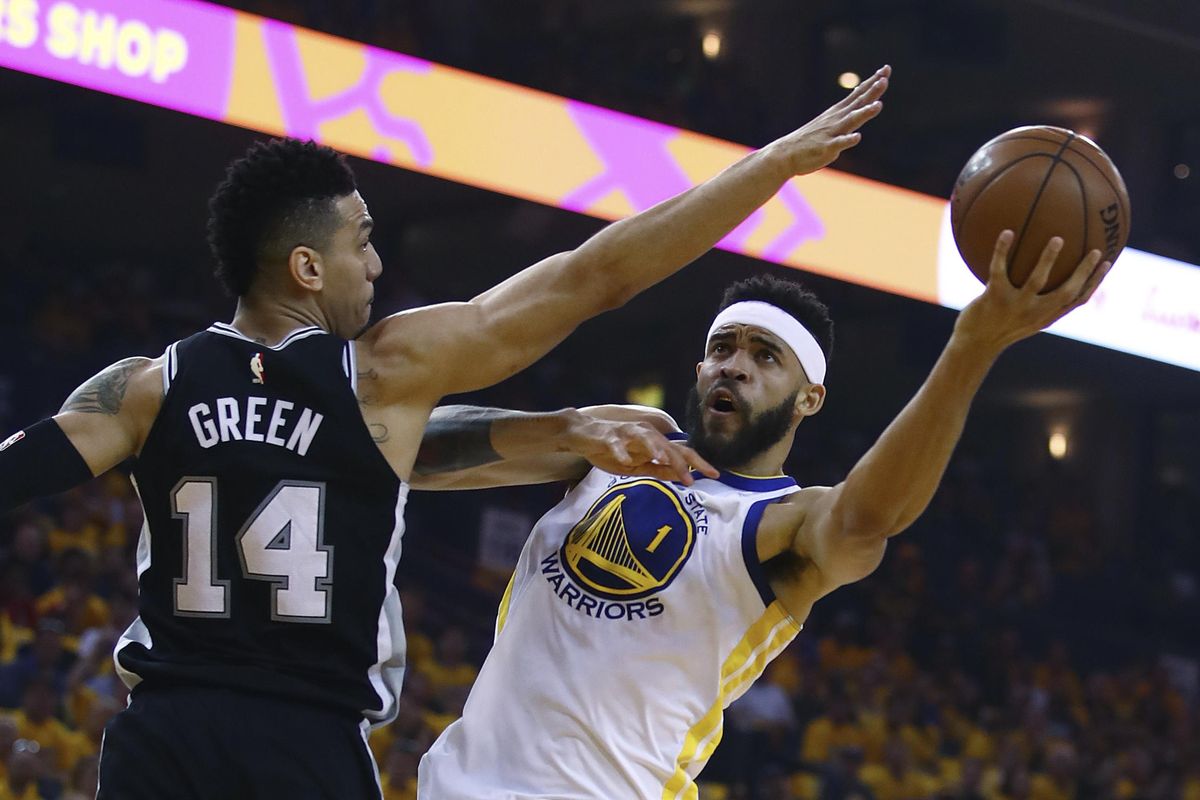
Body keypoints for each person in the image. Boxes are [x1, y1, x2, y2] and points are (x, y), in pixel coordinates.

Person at [0, 68, 891, 799]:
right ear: (308, 267)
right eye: (363, 243)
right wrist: (768, 169)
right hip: (302, 745)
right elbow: (594, 279)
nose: (378, 264)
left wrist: (563, 430)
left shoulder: (148, 386)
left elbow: (23, 466)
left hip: (161, 738)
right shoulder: (381, 375)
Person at [417, 232, 1112, 798]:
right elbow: (411, 453)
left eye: (764, 356)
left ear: (809, 399)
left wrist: (971, 347)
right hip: (453, 785)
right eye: (722, 349)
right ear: (698, 370)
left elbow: (870, 518)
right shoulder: (621, 440)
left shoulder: (785, 524)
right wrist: (565, 430)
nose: (735, 367)